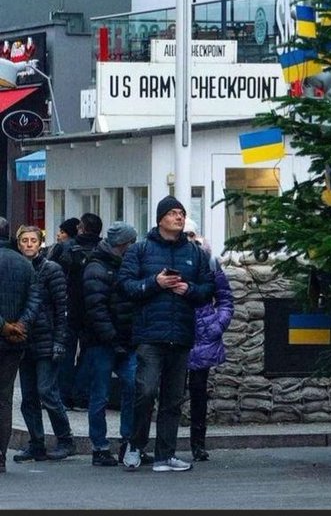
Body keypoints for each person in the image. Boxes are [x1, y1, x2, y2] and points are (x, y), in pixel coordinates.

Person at [117, 196, 214, 473]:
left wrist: (190, 290)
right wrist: (155, 283)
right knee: (145, 390)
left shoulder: (194, 252)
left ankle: (165, 455)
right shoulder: (140, 250)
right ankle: (135, 446)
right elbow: (124, 286)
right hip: (150, 333)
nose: (179, 217)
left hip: (181, 333)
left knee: (173, 398)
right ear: (160, 219)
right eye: (173, 213)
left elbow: (208, 288)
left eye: (181, 213)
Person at [11, 225, 75, 463]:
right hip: (23, 340)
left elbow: (61, 309)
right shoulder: (18, 268)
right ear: (19, 244)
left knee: (47, 391)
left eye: (33, 241)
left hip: (47, 339)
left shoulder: (51, 269)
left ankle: (65, 439)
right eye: (24, 241)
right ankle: (36, 443)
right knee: (28, 396)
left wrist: (60, 340)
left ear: (40, 244)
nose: (29, 244)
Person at [81, 221, 139, 467]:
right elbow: (96, 309)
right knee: (101, 395)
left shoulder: (118, 264)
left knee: (132, 388)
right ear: (122, 244)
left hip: (121, 339)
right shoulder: (97, 268)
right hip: (103, 342)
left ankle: (128, 441)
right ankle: (100, 446)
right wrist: (114, 338)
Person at [184, 220, 234, 462]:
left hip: (203, 335)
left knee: (198, 392)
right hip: (177, 332)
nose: (189, 239)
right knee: (169, 392)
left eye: (192, 234)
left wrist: (218, 324)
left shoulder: (210, 262)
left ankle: (198, 443)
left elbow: (225, 297)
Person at [0, 217, 40, 473]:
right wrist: (20, 325)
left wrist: (4, 326)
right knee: (4, 400)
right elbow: (35, 299)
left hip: (7, 332)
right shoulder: (25, 265)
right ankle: (0, 455)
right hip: (14, 343)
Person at [54, 212, 102, 410]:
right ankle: (81, 395)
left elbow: (52, 277)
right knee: (89, 353)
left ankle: (63, 396)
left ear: (80, 228)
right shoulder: (103, 249)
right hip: (94, 309)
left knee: (66, 353)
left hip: (68, 307)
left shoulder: (65, 248)